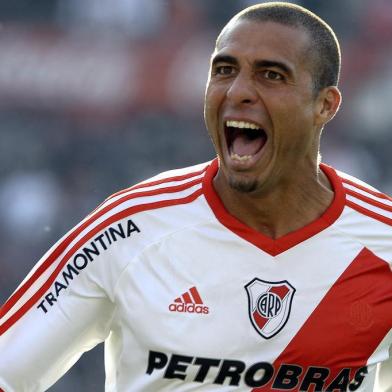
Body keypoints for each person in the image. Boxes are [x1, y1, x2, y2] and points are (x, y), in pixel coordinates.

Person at [0, 2, 391, 391]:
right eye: (223, 71)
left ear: (325, 105)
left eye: (271, 75)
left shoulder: (382, 240)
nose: (238, 91)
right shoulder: (130, 225)